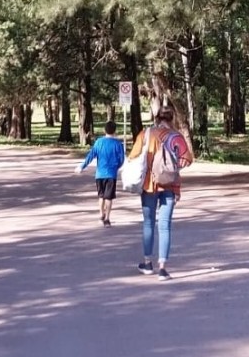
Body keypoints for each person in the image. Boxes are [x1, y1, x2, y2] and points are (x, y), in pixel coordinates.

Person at [128, 105, 193, 281]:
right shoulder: (177, 137)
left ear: (157, 118)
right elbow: (188, 159)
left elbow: (133, 156)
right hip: (170, 186)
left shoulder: (146, 134)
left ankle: (147, 263)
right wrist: (173, 167)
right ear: (172, 118)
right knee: (164, 226)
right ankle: (163, 268)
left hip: (149, 185)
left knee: (148, 224)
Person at [75, 120, 125, 227]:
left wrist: (82, 166)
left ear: (104, 130)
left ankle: (101, 214)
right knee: (109, 197)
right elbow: (121, 159)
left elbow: (91, 155)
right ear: (115, 131)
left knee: (101, 196)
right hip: (111, 174)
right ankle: (107, 218)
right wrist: (116, 167)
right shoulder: (118, 144)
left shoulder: (99, 142)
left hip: (100, 174)